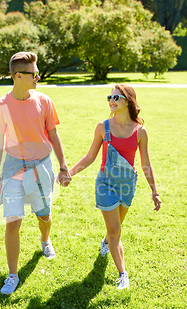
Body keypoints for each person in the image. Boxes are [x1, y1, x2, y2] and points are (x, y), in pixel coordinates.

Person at [0, 52, 71, 295]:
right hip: (13, 168)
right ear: (18, 76)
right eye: (34, 74)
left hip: (42, 166)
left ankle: (45, 241)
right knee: (12, 222)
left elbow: (53, 134)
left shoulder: (44, 101)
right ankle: (12, 275)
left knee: (43, 216)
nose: (38, 77)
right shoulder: (1, 105)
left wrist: (63, 165)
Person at [67, 84, 161, 290]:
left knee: (114, 229)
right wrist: (70, 173)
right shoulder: (103, 127)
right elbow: (91, 156)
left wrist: (154, 190)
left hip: (127, 184)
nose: (111, 100)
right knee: (116, 230)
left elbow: (146, 162)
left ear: (128, 100)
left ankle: (107, 241)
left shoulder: (140, 132)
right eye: (110, 97)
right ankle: (122, 274)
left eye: (116, 97)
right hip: (106, 184)